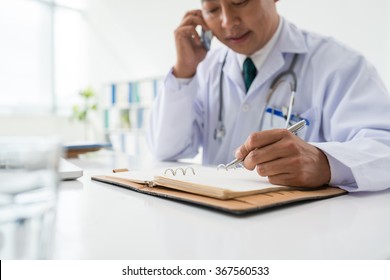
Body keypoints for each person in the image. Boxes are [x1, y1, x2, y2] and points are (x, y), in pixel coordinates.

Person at [147, 0, 390, 192]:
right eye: (212, 9)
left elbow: (384, 148)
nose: (228, 22)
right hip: (217, 226)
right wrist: (183, 72)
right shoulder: (206, 68)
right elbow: (166, 151)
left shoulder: (339, 63)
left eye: (240, 2)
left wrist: (326, 163)